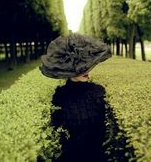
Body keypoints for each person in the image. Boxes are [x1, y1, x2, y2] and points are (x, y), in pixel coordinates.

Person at [39, 33, 112, 162]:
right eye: (80, 66)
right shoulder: (60, 96)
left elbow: (102, 131)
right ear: (68, 68)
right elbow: (59, 133)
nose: (86, 70)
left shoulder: (98, 92)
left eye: (87, 65)